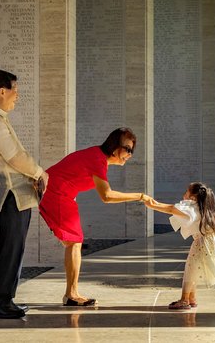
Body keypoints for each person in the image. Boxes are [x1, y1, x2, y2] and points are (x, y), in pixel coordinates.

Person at [38, 127, 153, 306]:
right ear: (115, 147)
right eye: (128, 149)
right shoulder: (97, 160)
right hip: (55, 193)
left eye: (132, 150)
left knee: (74, 241)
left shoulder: (97, 157)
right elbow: (106, 196)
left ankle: (71, 293)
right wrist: (140, 196)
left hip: (60, 194)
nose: (130, 154)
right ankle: (71, 295)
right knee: (75, 241)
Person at [0, 69, 49, 319]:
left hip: (12, 194)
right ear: (1, 91)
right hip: (11, 194)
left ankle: (2, 300)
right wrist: (39, 172)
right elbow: (15, 157)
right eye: (15, 90)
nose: (17, 95)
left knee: (12, 248)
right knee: (11, 248)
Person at [143, 182, 215, 309]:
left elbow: (172, 209)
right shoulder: (203, 207)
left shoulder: (192, 207)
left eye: (187, 191)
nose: (184, 194)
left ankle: (184, 300)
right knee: (194, 269)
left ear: (193, 197)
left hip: (203, 241)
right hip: (212, 241)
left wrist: (152, 204)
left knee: (190, 269)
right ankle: (191, 298)